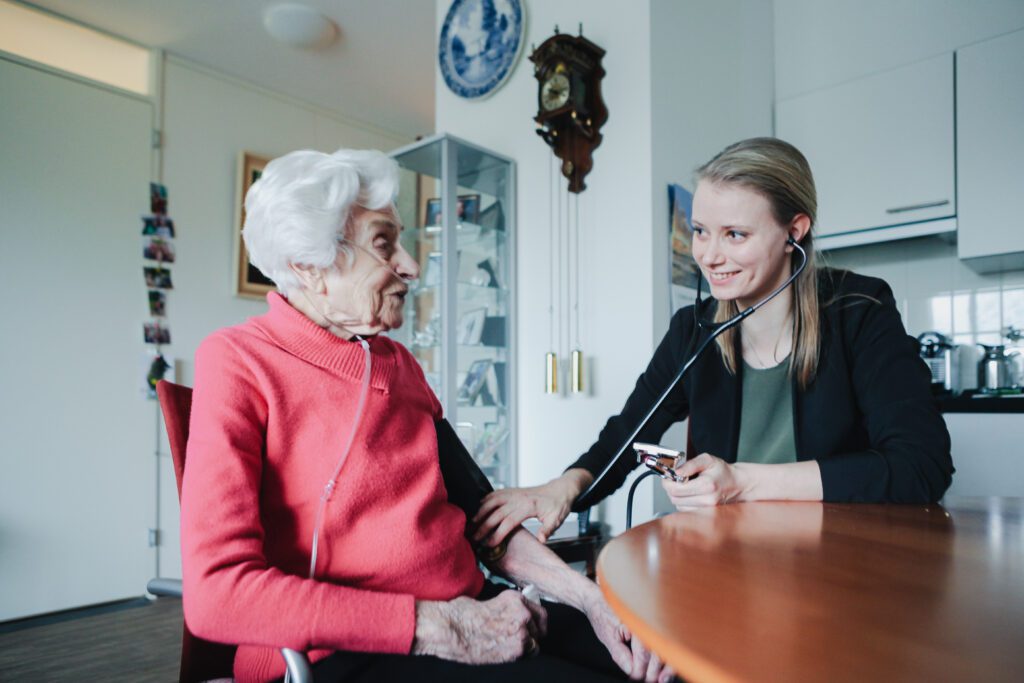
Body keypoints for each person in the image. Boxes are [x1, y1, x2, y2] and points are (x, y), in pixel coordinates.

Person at [180, 149, 670, 683]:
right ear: (308, 266)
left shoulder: (398, 364)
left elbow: (488, 521)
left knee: (666, 662)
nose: (412, 266)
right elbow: (217, 594)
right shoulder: (238, 361)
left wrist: (590, 601)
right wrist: (441, 627)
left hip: (472, 608)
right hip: (349, 649)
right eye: (384, 243)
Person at [472, 137, 954, 547]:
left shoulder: (860, 310)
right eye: (701, 232)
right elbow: (627, 432)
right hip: (727, 565)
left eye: (735, 235)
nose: (709, 255)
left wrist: (740, 482)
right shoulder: (692, 330)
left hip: (841, 562)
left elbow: (921, 467)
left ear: (794, 232)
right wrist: (564, 486)